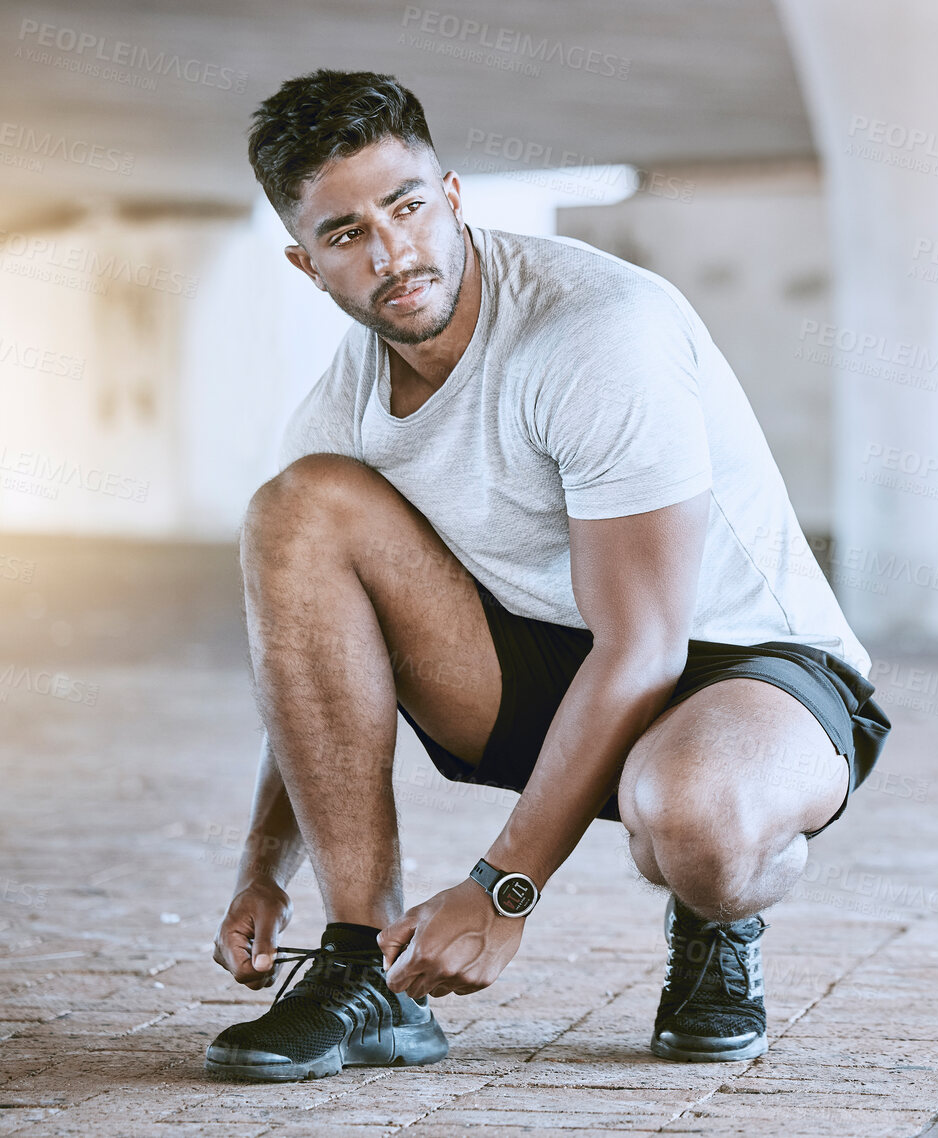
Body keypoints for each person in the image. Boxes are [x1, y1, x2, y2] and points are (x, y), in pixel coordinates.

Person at [204, 69, 889, 1082]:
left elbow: (646, 645)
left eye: (405, 206)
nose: (394, 252)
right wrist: (265, 864)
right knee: (297, 507)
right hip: (542, 665)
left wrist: (501, 891)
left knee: (693, 821)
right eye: (347, 234)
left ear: (452, 195)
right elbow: (311, 664)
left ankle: (716, 915)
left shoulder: (595, 333)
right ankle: (360, 970)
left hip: (745, 664)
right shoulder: (339, 417)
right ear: (307, 266)